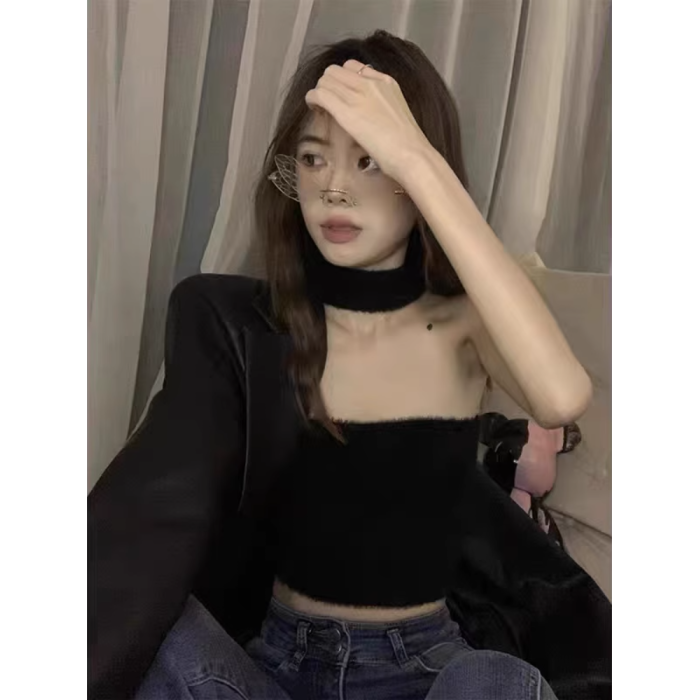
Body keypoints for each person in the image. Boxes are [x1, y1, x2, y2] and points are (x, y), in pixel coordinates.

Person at [88, 30, 611, 700]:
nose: (335, 187)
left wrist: (416, 159)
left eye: (370, 160)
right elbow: (147, 528)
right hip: (273, 667)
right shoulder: (249, 329)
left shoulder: (463, 325)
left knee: (496, 680)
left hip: (417, 670)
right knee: (150, 626)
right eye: (314, 159)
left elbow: (560, 395)